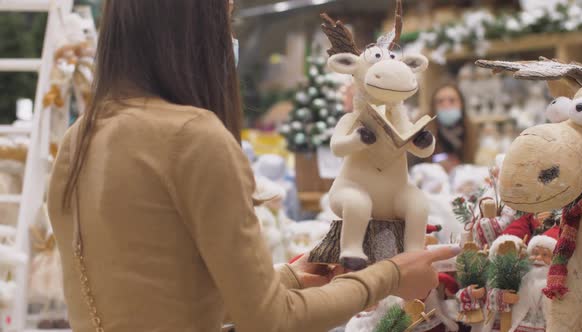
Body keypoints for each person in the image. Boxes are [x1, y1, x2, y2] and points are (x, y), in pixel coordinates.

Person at [46, 1, 459, 331]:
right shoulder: (193, 136)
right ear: (193, 32)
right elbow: (272, 320)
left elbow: (159, 294)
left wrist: (287, 279)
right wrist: (388, 274)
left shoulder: (80, 138)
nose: (230, 40)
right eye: (226, 21)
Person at [429, 84, 469, 172]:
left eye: (452, 100)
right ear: (433, 107)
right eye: (440, 101)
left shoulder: (471, 130)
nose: (446, 105)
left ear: (461, 104)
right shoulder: (424, 131)